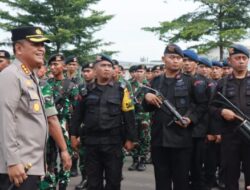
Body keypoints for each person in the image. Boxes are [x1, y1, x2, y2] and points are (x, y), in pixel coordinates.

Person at [143, 44, 208, 190]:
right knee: (161, 181)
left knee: (181, 182)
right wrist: (147, 97)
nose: (176, 61)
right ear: (163, 59)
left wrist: (190, 118)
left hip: (181, 140)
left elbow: (201, 105)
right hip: (159, 139)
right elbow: (146, 108)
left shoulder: (190, 81)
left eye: (179, 58)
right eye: (172, 57)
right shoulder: (155, 81)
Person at [72, 53, 137, 190]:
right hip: (91, 143)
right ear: (95, 70)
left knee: (113, 181)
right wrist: (73, 135)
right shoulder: (84, 91)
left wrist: (131, 138)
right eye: (103, 66)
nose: (107, 69)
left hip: (113, 143)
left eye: (109, 66)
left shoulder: (121, 90)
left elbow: (129, 115)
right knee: (93, 182)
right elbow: (77, 115)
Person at [0, 26, 50, 189]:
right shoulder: (11, 75)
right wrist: (13, 161)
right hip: (17, 169)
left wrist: (41, 163)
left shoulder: (29, 76)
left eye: (43, 45)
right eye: (36, 44)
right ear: (19, 48)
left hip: (31, 166)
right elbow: (4, 120)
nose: (41, 49)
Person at [210, 44, 250, 190]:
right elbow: (212, 107)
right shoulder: (222, 83)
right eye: (237, 58)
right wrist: (221, 112)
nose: (241, 61)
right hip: (230, 137)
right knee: (230, 177)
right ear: (230, 60)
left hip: (249, 136)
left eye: (244, 58)